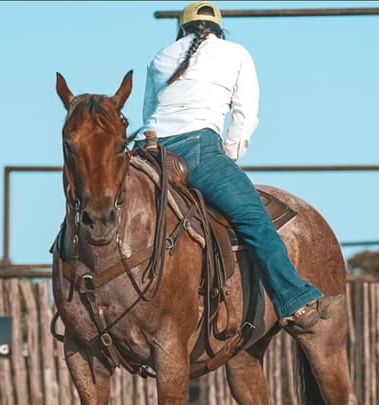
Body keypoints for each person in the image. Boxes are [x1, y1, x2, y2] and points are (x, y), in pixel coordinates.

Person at [137, 1, 340, 330]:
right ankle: (295, 301)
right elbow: (245, 116)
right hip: (198, 150)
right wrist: (227, 158)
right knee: (254, 220)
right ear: (219, 29)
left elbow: (148, 113)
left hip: (148, 152)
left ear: (182, 28)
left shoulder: (159, 57)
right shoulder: (236, 53)